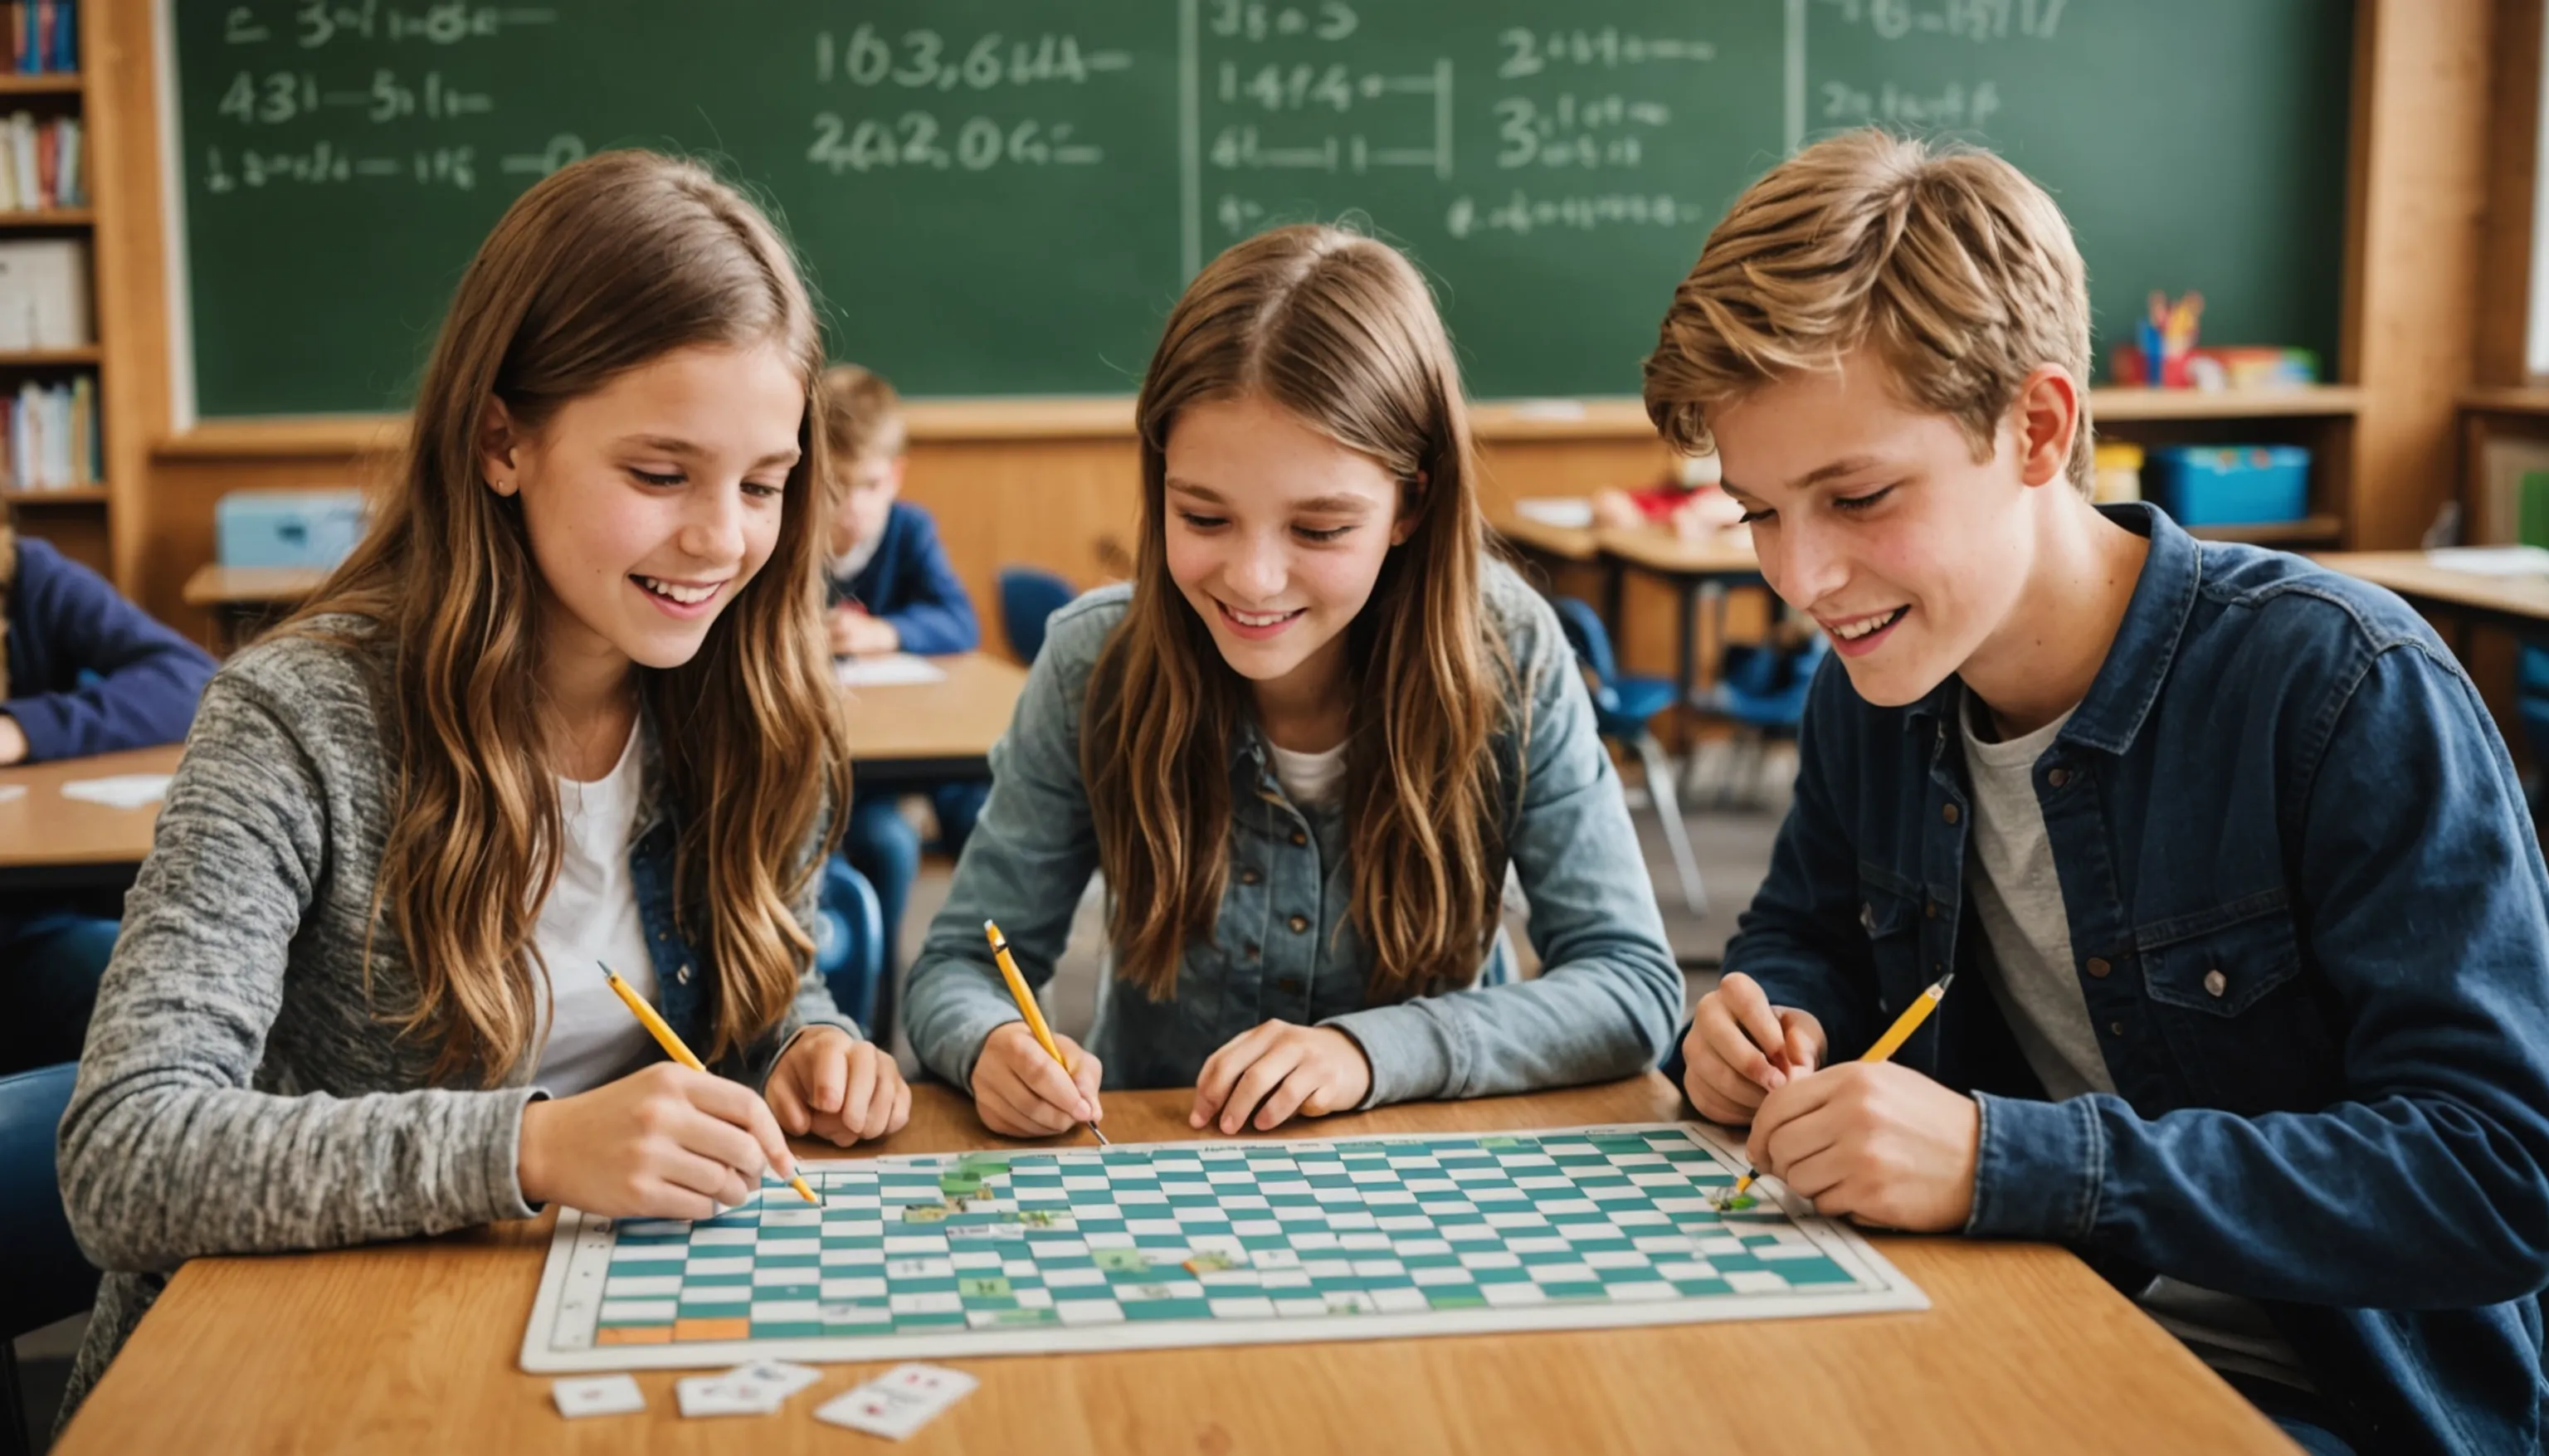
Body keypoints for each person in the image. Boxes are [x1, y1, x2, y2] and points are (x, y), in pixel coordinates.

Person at [1652, 129, 2549, 1455]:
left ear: (2039, 425)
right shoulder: (1874, 688)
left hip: (2338, 1403)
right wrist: (1775, 1018)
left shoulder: (2340, 686)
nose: (1803, 577)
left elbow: (2499, 1173)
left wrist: (2014, 1160)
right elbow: (1812, 931)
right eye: (1759, 514)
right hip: (1999, 1327)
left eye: (1857, 496)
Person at [54, 150, 910, 1420]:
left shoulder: (744, 698)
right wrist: (534, 1143)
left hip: (599, 1335)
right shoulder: (300, 720)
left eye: (766, 484)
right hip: (296, 1366)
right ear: (502, 441)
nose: (724, 537)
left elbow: (764, 973)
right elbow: (126, 1153)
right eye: (660, 475)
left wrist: (809, 1041)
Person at [903, 223, 1682, 1142]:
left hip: (1440, 1182)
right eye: (1203, 515)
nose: (1253, 579)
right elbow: (960, 965)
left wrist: (1367, 1053)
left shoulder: (1508, 655)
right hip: (1171, 1181)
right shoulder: (1094, 664)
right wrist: (993, 1042)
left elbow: (1632, 988)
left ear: (1412, 503)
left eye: (1318, 531)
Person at [0, 517, 216, 1071]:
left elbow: (193, 678)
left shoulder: (29, 576)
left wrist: (24, 729)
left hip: (28, 926)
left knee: (167, 978)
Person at [819, 363, 988, 1004]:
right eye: (834, 486)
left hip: (910, 731)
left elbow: (959, 619)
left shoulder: (909, 531)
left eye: (868, 485)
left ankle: (977, 987)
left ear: (894, 477)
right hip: (838, 758)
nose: (852, 507)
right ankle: (871, 1013)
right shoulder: (784, 535)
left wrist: (886, 632)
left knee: (977, 805)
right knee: (885, 840)